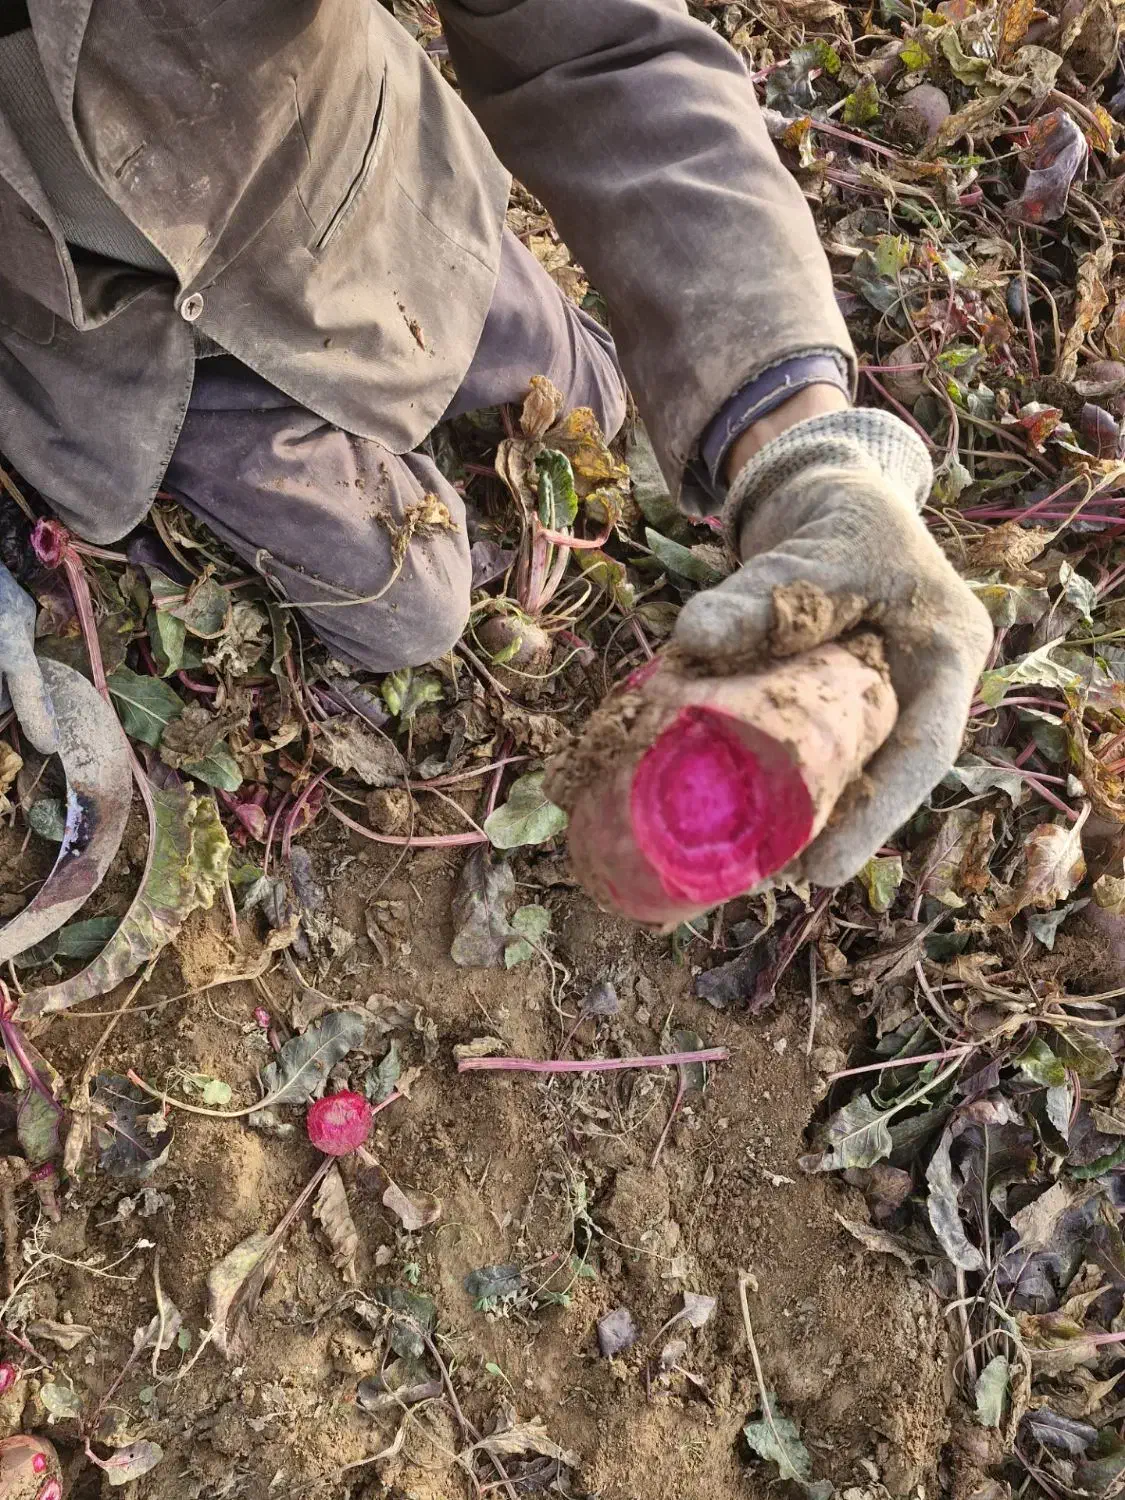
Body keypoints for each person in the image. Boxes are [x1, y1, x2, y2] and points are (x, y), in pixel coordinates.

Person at [0, 0, 991, 890]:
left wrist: (805, 451)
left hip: (346, 199)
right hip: (99, 329)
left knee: (596, 402)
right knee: (413, 608)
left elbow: (605, 42)